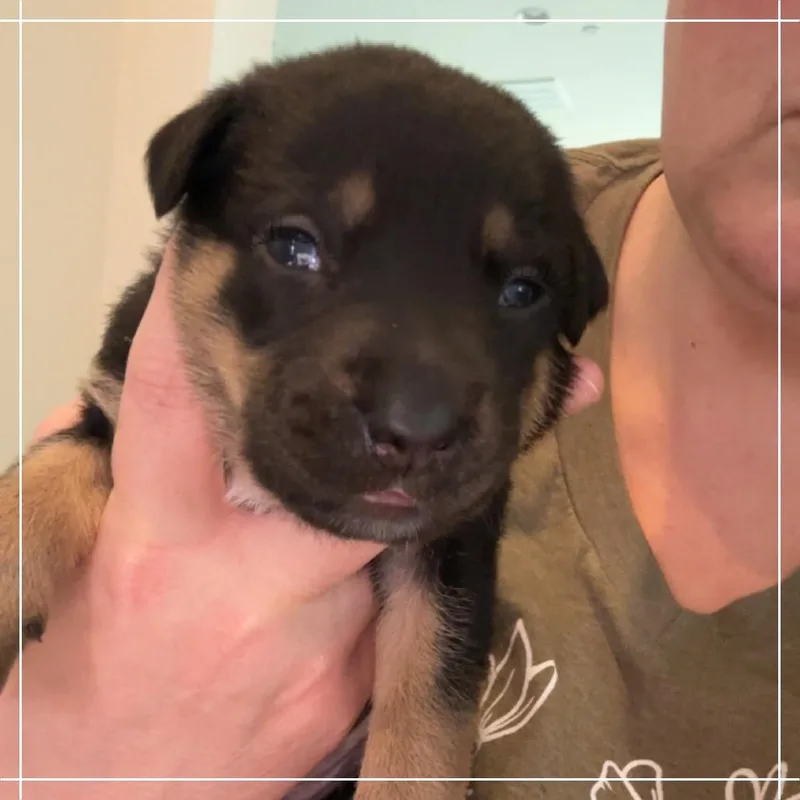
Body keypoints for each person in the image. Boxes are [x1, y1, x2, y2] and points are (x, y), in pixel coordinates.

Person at [1, 0, 796, 797]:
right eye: (296, 246)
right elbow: (86, 449)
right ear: (192, 224)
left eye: (518, 290)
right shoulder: (159, 352)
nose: (413, 417)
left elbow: (442, 608)